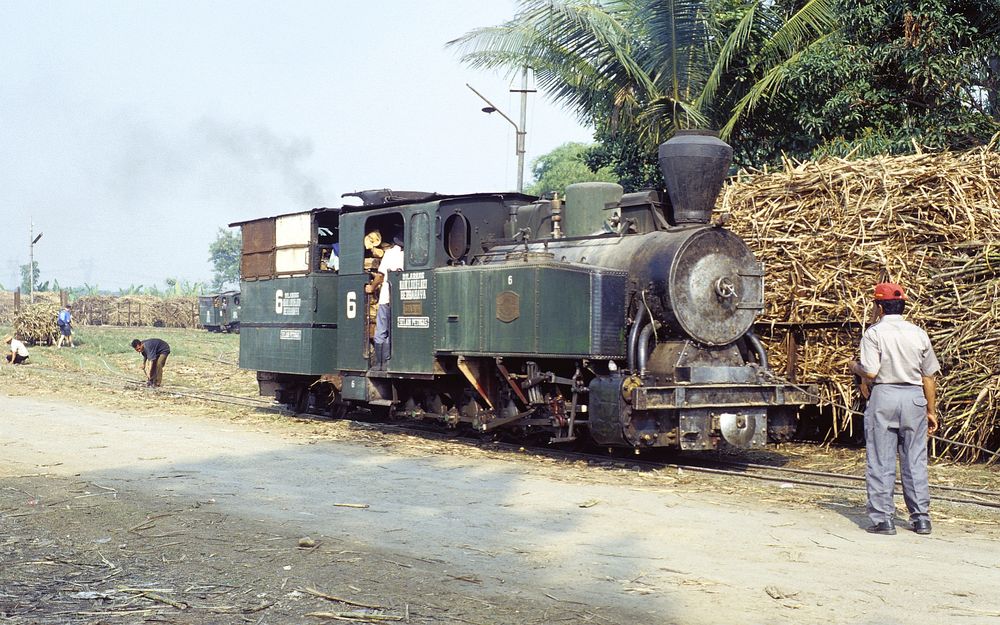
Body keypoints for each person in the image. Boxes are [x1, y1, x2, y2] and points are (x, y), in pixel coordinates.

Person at [849, 282, 940, 536]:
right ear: (903, 305)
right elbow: (929, 376)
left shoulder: (874, 333)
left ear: (879, 307)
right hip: (914, 399)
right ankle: (921, 519)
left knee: (881, 459)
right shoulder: (918, 333)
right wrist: (931, 410)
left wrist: (853, 366)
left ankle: (883, 520)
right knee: (915, 460)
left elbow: (870, 371)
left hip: (885, 397)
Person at [364, 232, 403, 370]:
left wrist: (372, 287)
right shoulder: (409, 255)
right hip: (400, 301)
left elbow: (380, 276)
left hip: (386, 297)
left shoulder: (390, 253)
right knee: (392, 331)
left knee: (381, 331)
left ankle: (380, 364)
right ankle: (389, 361)